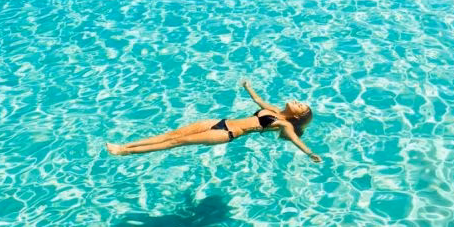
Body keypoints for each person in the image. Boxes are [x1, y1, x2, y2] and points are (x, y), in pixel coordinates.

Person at [106, 80, 321, 163]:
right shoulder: (273, 109)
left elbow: (294, 139)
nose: (297, 101)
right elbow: (257, 99)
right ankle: (125, 145)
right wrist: (247, 86)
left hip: (226, 134)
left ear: (296, 116)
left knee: (175, 143)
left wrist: (310, 153)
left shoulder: (283, 124)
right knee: (171, 135)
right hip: (220, 122)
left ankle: (125, 152)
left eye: (300, 106)